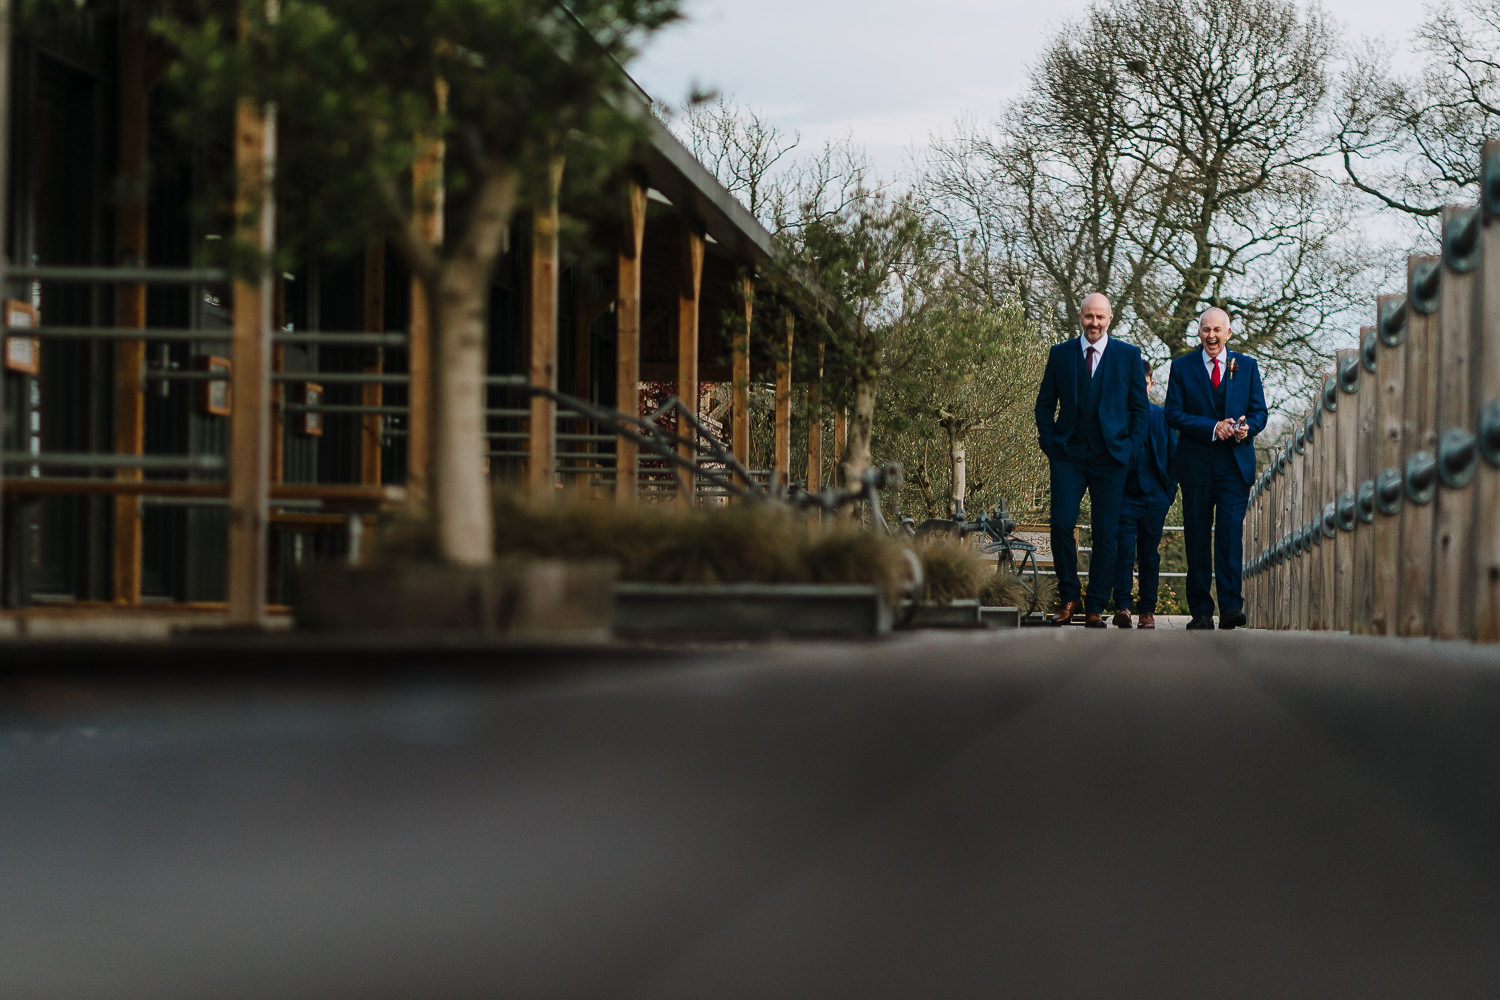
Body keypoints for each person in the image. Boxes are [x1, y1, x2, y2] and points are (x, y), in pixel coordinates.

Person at [1034, 292, 1149, 627]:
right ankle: (1070, 596)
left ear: (1109, 319)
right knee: (1060, 525)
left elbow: (1140, 411)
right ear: (1080, 317)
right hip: (1068, 455)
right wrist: (1050, 444)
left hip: (1111, 458)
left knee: (1106, 533)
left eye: (1100, 317)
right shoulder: (1061, 354)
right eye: (1089, 317)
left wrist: (1129, 452)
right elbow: (1044, 405)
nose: (1094, 323)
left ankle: (1096, 605)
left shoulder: (1128, 356)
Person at [1163, 307, 1268, 630]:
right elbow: (1173, 414)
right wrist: (1212, 427)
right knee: (1196, 538)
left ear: (1228, 333)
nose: (1211, 335)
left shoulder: (1247, 367)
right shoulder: (1182, 368)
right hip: (1196, 465)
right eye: (1206, 329)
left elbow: (1260, 412)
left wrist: (1246, 427)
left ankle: (1231, 606)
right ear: (1199, 333)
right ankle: (1201, 611)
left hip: (1234, 466)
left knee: (1229, 536)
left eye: (1217, 330)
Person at [1109, 361, 1177, 630]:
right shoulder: (1115, 418)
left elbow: (1174, 457)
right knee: (1123, 551)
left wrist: (1168, 493)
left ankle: (1147, 611)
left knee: (1149, 555)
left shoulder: (1163, 417)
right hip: (1124, 496)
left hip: (1155, 497)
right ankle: (1123, 606)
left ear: (1150, 384)